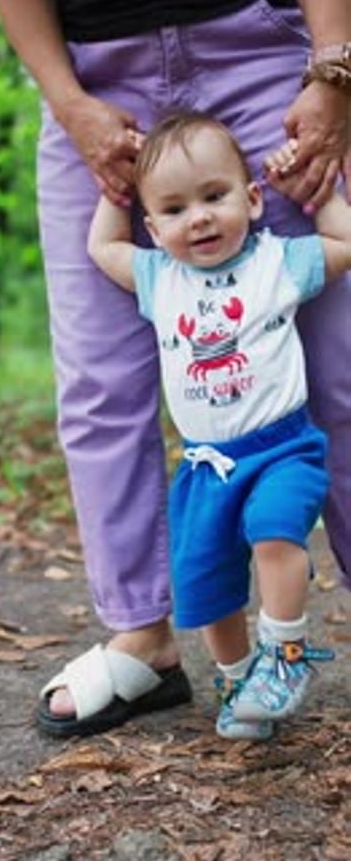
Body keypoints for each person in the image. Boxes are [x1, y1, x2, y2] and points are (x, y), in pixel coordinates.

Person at [0, 0, 351, 738]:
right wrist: (65, 100)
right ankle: (143, 638)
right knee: (98, 382)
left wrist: (335, 65)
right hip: (95, 80)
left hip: (261, 47)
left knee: (342, 365)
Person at [88, 112, 345, 739]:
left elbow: (344, 244)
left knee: (275, 530)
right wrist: (110, 195)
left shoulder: (276, 263)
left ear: (251, 199)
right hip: (207, 463)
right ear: (153, 228)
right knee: (203, 581)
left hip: (283, 448)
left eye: (214, 196)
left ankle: (283, 655)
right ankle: (240, 683)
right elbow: (102, 249)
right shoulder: (159, 278)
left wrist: (324, 195)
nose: (198, 217)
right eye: (174, 210)